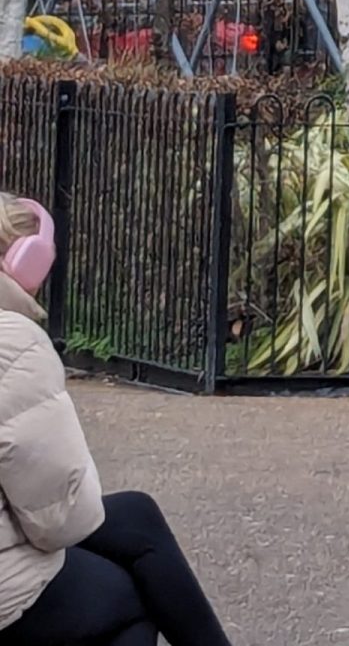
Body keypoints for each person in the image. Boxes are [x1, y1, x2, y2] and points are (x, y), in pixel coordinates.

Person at [0, 194, 233, 646]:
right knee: (133, 600)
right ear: (24, 263)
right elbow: (57, 521)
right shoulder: (12, 345)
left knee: (136, 516)